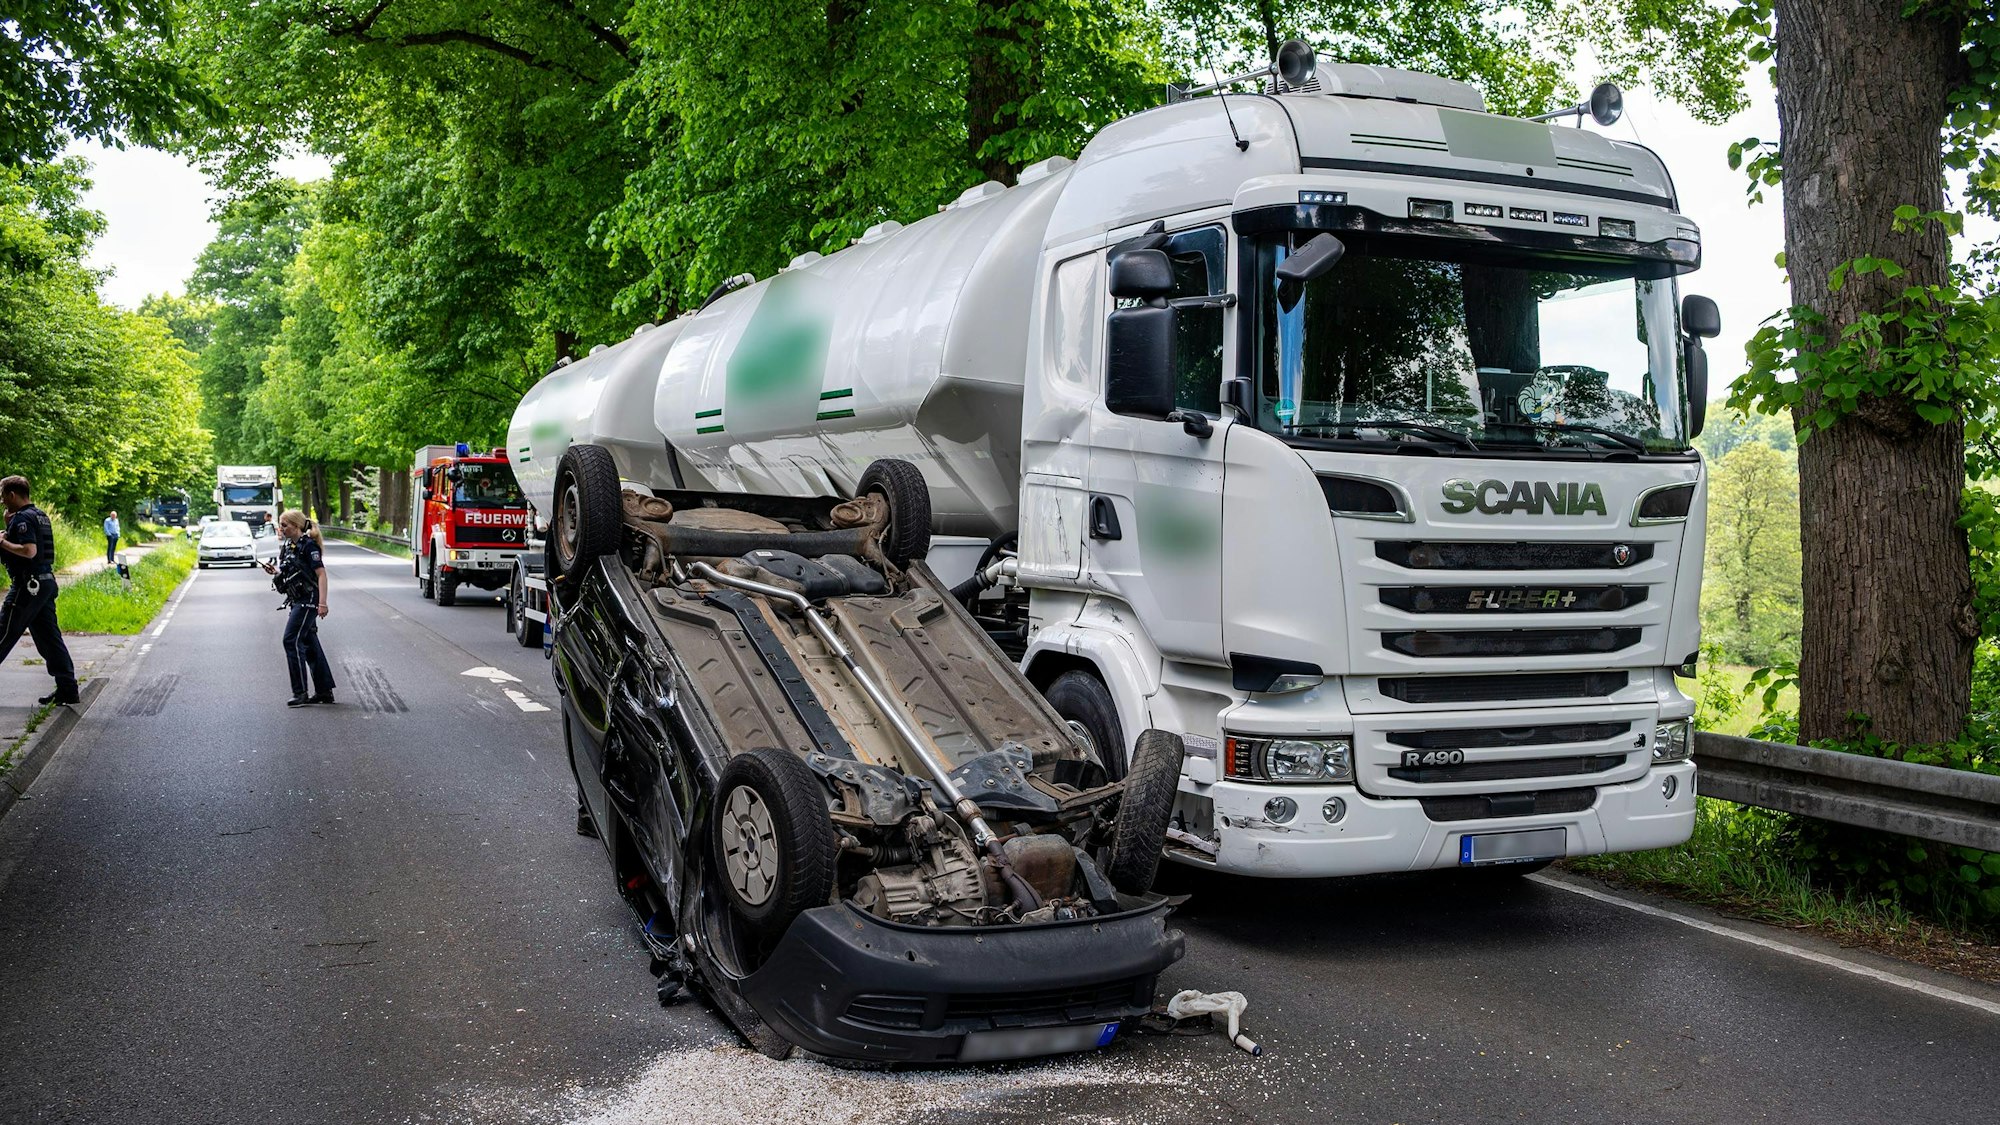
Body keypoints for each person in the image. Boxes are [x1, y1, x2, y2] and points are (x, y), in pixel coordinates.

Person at [0, 476, 79, 706]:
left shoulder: (23, 518)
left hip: (28, 586)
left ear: (12, 494)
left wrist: (2, 542)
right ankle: (68, 689)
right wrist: (8, 527)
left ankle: (67, 688)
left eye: (3, 494)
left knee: (4, 632)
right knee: (49, 639)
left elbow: (29, 551)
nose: (2, 500)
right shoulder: (40, 515)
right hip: (44, 584)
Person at [262, 510, 336, 707]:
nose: (281, 528)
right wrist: (275, 572)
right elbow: (289, 571)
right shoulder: (289, 546)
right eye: (280, 524)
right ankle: (324, 691)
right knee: (309, 643)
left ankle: (300, 692)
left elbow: (321, 574)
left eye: (285, 525)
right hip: (296, 599)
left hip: (308, 600)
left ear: (296, 526)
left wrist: (323, 603)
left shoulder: (308, 545)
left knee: (291, 640)